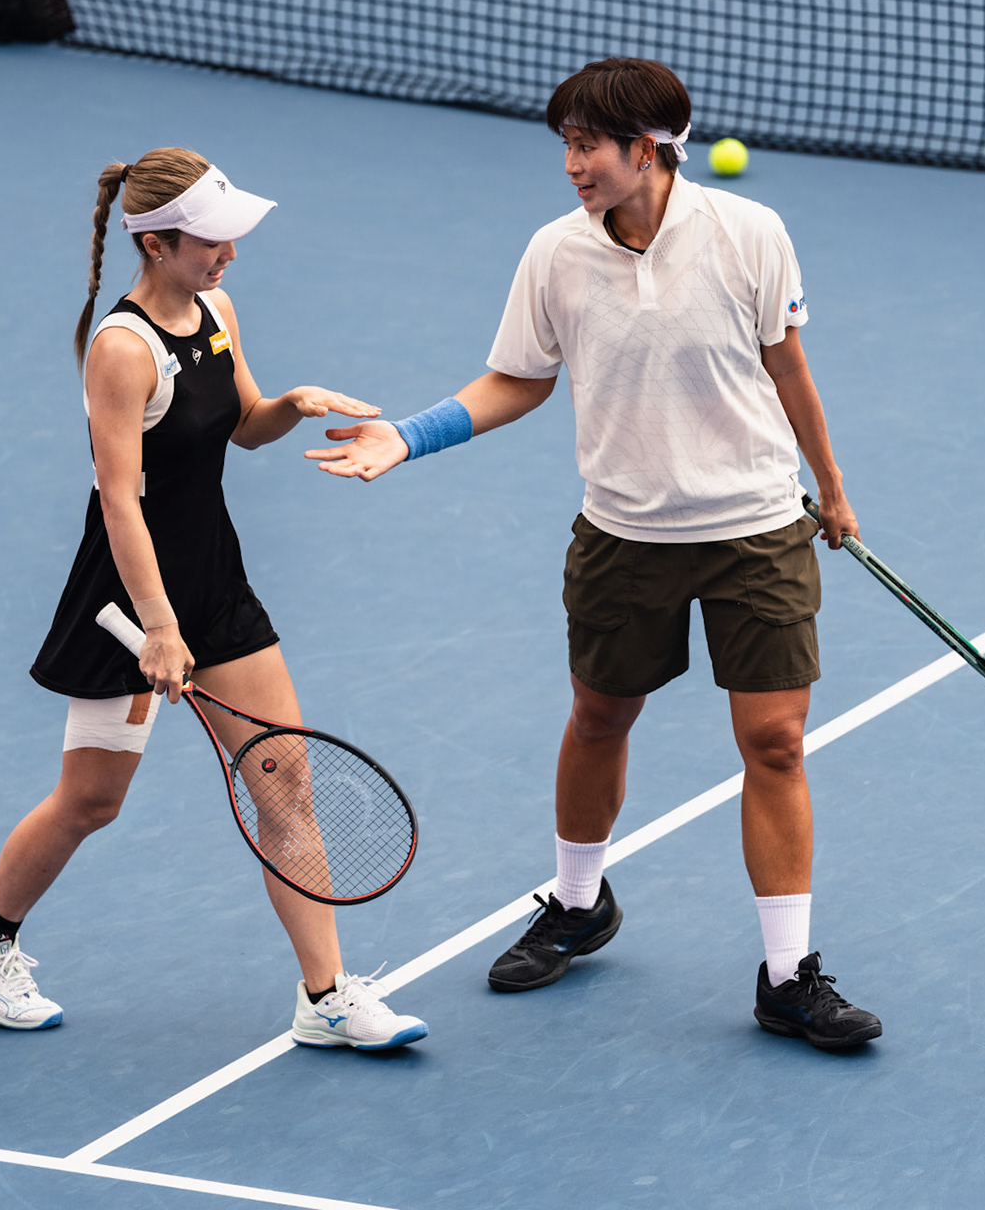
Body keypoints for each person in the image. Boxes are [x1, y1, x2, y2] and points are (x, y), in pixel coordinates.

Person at [308, 59, 880, 1050]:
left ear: (651, 149)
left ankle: (787, 975)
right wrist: (409, 434)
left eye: (588, 145)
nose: (572, 164)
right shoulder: (555, 255)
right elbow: (515, 380)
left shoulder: (751, 235)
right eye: (565, 145)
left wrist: (830, 487)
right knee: (599, 714)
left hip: (754, 528)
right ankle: (580, 902)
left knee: (776, 744)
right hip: (624, 533)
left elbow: (789, 365)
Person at [0, 148, 428, 1052]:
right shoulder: (121, 350)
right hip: (127, 597)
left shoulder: (217, 311)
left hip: (215, 583)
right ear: (157, 243)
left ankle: (325, 996)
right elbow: (120, 497)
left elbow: (243, 426)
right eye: (212, 240)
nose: (230, 254)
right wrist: (157, 628)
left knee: (284, 780)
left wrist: (292, 402)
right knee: (92, 801)